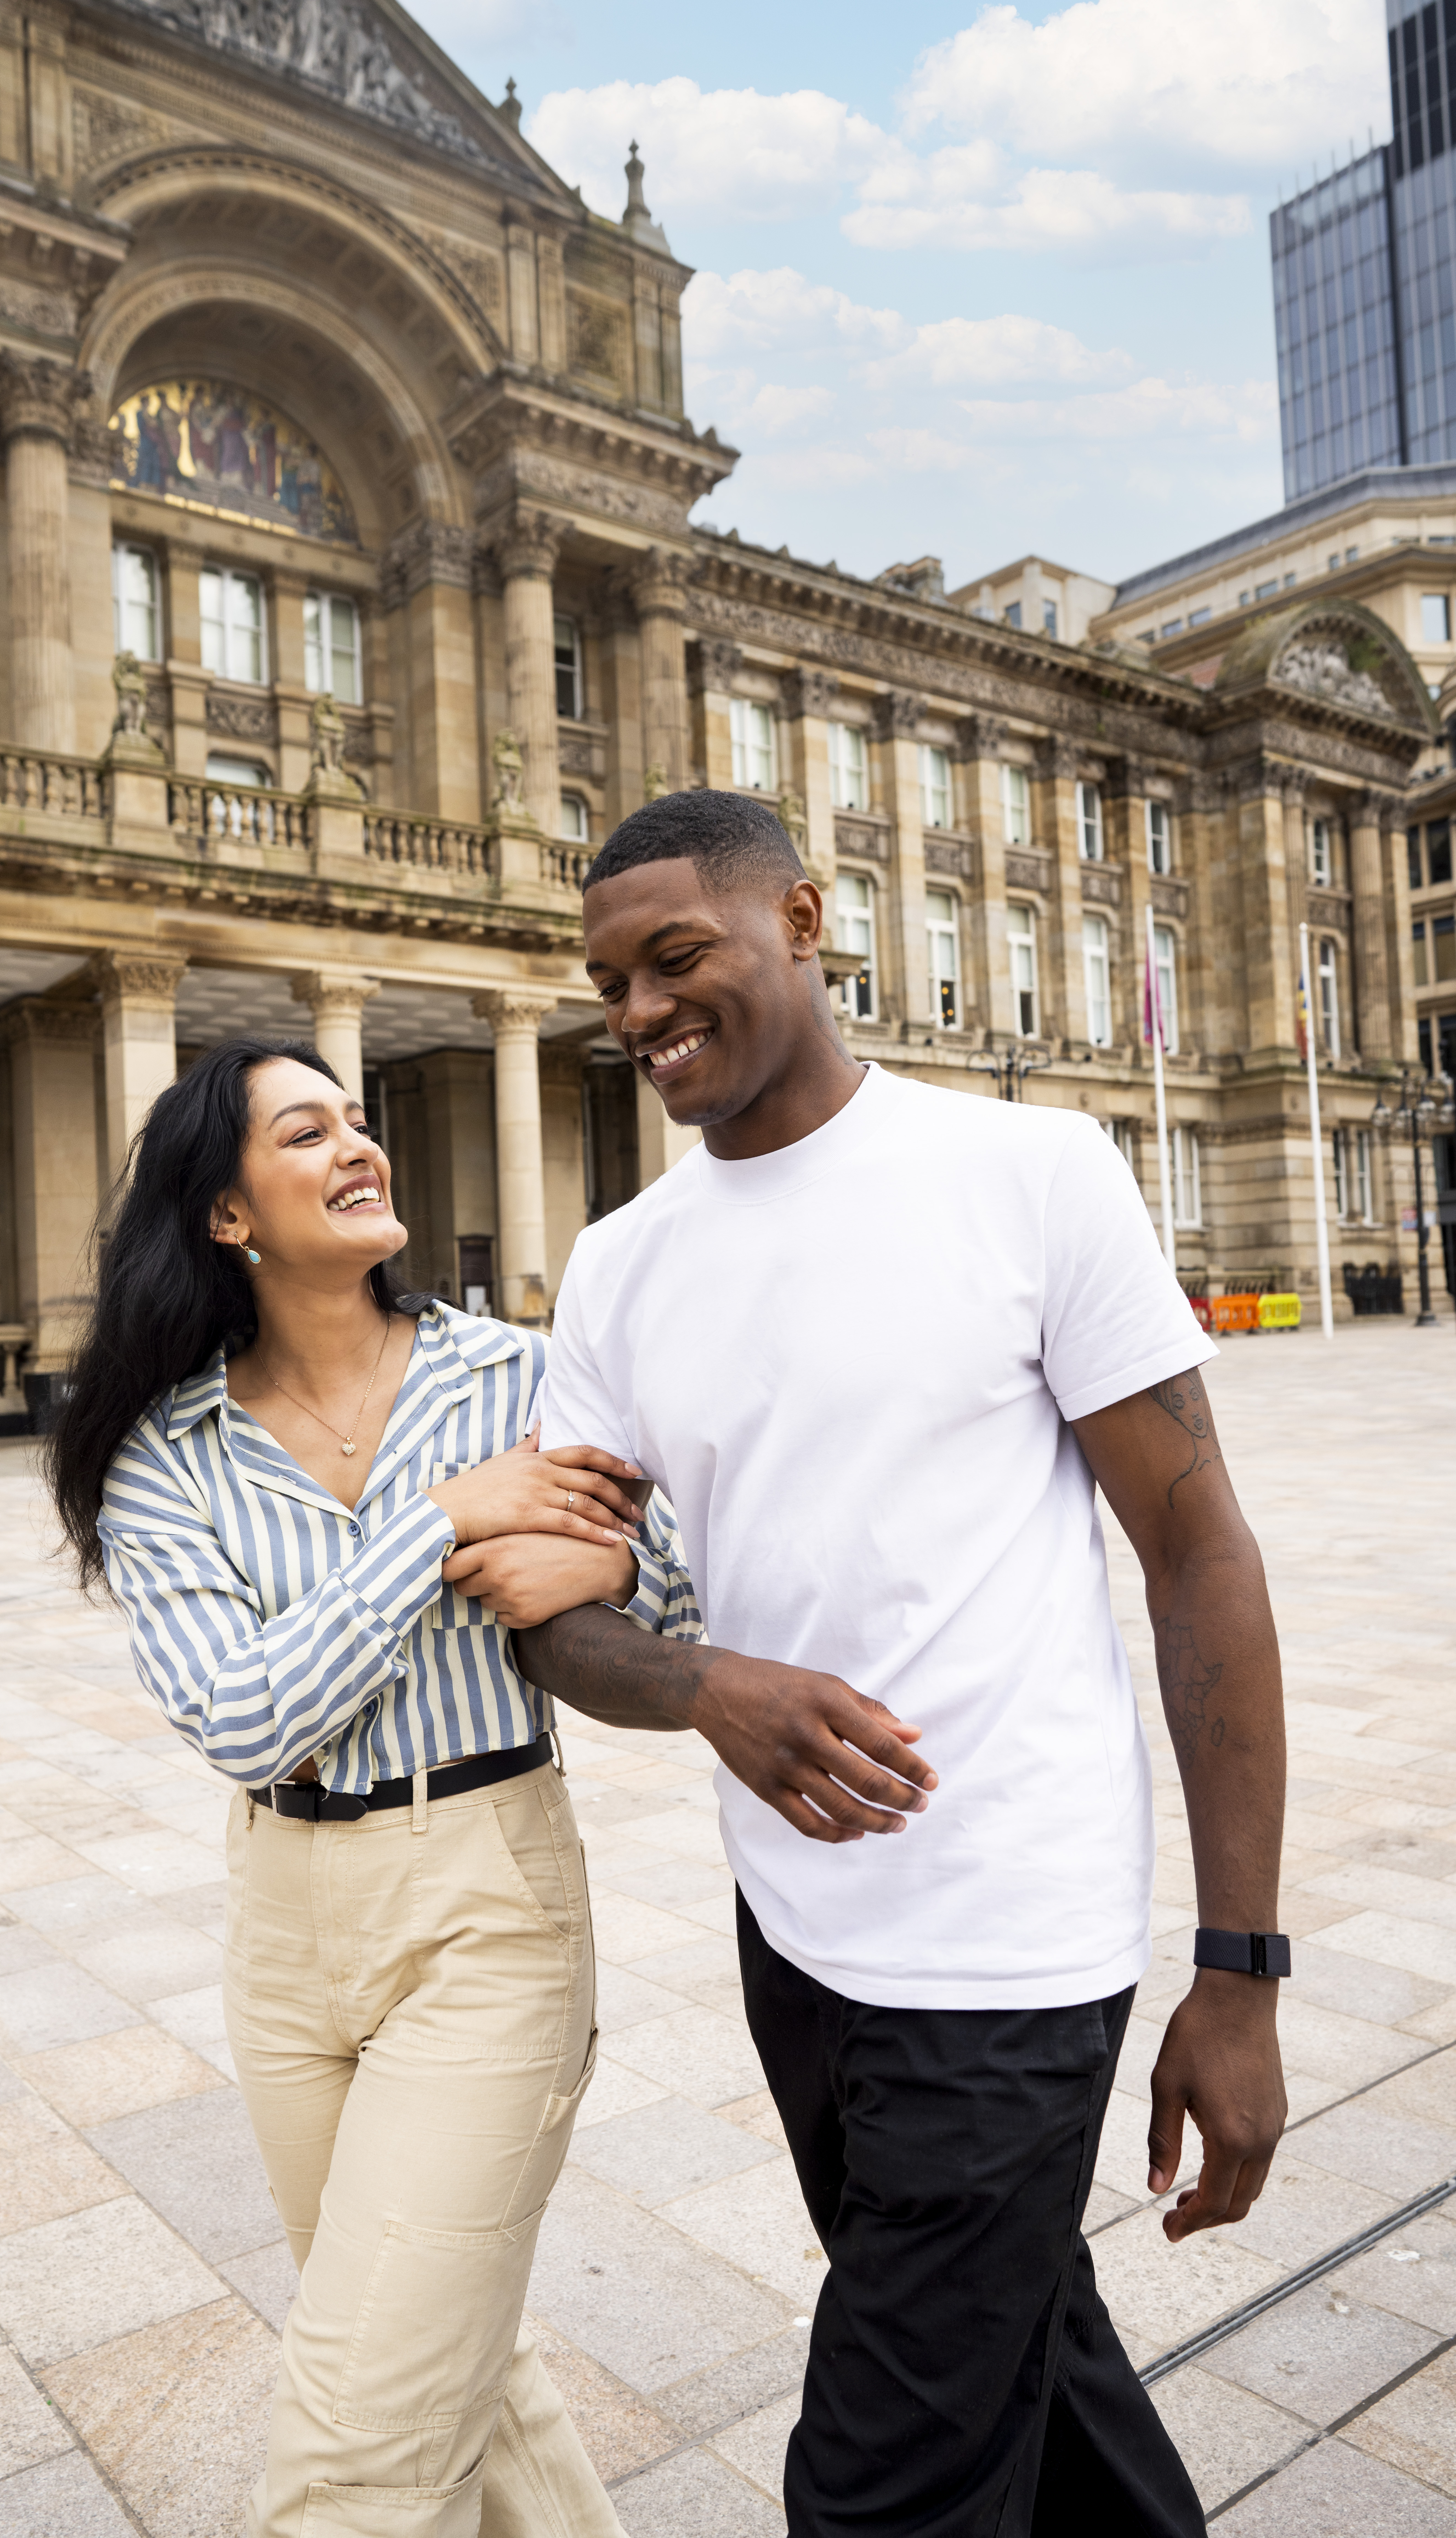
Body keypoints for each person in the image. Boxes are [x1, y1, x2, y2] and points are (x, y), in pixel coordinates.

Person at [513, 794, 1288, 2538]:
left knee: (883, 2483)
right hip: (797, 1940)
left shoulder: (1027, 1172)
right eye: (609, 981)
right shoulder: (624, 1269)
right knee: (1031, 2369)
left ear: (801, 917)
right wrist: (709, 1686)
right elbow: (561, 1614)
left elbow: (1203, 1557)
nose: (636, 1011)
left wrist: (1239, 1969)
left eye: (675, 958)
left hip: (1013, 1937)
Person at [46, 1034, 700, 2538]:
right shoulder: (168, 1456)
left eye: (360, 1120)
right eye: (307, 1130)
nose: (360, 1146)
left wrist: (598, 1556)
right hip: (283, 1933)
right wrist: (437, 1526)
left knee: (356, 2446)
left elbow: (669, 1613)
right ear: (228, 1214)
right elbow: (245, 1715)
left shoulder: (518, 1375)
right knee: (464, 2364)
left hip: (488, 1903)